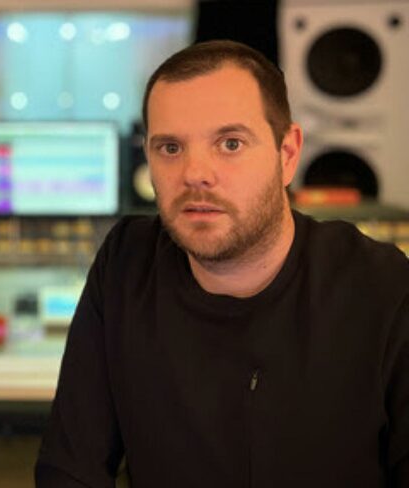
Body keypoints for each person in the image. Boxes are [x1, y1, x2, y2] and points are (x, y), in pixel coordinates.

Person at [35, 40, 409, 487]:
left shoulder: (383, 289)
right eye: (170, 148)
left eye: (230, 143)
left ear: (287, 154)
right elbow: (70, 469)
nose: (195, 173)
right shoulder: (125, 265)